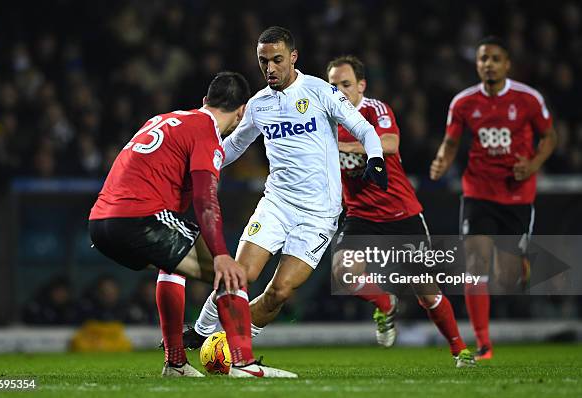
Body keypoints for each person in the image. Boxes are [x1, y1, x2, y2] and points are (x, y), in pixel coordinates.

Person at [184, 26, 388, 347]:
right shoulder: (258, 104)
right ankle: (200, 332)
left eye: (277, 60)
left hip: (319, 214)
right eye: (263, 61)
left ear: (293, 57)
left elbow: (364, 129)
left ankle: (231, 343)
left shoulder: (320, 91)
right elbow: (235, 145)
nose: (270, 68)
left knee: (278, 292)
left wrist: (375, 158)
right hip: (276, 204)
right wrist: (200, 167)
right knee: (241, 274)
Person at [88, 71, 296, 378]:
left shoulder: (164, 119)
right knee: (232, 275)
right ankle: (243, 363)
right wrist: (222, 253)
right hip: (139, 218)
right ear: (241, 111)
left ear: (205, 101)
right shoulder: (205, 132)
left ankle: (175, 363)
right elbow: (205, 198)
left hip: (101, 222)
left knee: (171, 266)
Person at [328, 55, 475, 368]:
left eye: (345, 84)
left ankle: (459, 349)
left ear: (361, 85)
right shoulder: (325, 119)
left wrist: (344, 146)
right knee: (342, 273)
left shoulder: (374, 109)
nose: (339, 91)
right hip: (360, 216)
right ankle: (385, 302)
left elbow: (391, 143)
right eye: (333, 85)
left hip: (400, 214)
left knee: (426, 292)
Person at [430, 36, 557, 360]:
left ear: (507, 64)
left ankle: (524, 264)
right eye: (483, 58)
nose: (488, 64)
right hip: (478, 191)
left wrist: (533, 165)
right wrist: (443, 159)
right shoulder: (463, 102)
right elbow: (450, 140)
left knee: (507, 277)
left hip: (517, 193)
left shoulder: (527, 99)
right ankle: (484, 343)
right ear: (477, 64)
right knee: (475, 265)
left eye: (495, 59)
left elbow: (550, 137)